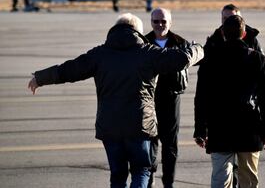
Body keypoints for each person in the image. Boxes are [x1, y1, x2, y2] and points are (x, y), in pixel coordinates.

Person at [27, 13, 204, 188]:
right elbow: (182, 59)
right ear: (138, 32)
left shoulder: (100, 54)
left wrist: (40, 78)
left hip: (109, 126)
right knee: (142, 171)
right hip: (140, 125)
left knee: (118, 176)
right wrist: (198, 48)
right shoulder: (147, 53)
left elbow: (70, 69)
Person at [193, 15, 265, 188]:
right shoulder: (257, 59)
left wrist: (200, 129)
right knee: (249, 179)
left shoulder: (210, 59)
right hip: (250, 128)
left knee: (220, 178)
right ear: (244, 34)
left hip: (219, 128)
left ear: (223, 33)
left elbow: (201, 98)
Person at [145, 8, 190, 188]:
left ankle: (168, 183)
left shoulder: (180, 43)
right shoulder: (143, 42)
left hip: (172, 99)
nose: (160, 25)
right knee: (150, 142)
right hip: (148, 100)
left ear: (170, 22)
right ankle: (149, 179)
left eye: (163, 21)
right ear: (151, 22)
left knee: (170, 144)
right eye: (156, 21)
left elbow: (196, 58)